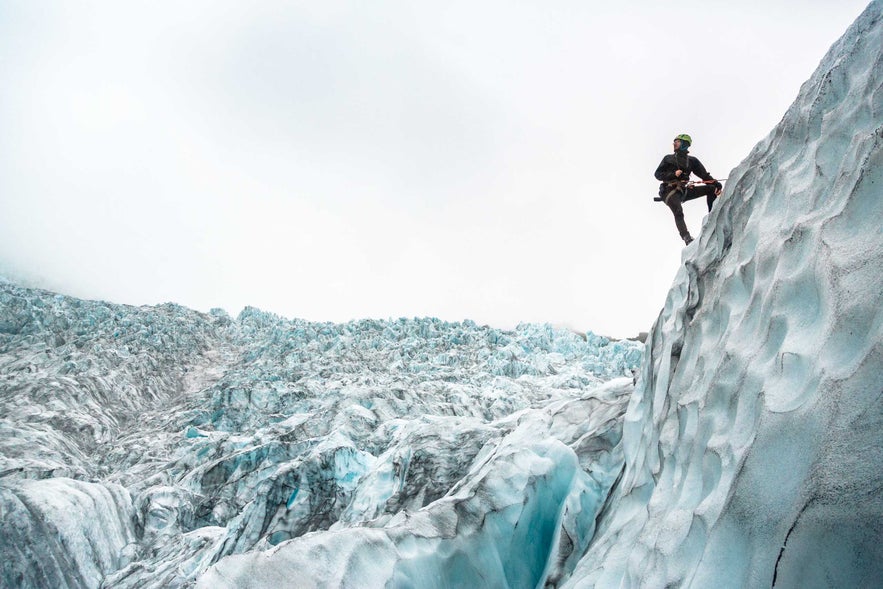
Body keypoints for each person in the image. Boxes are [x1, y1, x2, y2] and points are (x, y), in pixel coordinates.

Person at [654, 134, 722, 245]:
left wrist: (716, 184)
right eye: (674, 141)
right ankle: (686, 237)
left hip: (682, 191)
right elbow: (657, 174)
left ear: (684, 144)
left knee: (711, 188)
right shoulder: (668, 158)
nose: (674, 143)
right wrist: (673, 174)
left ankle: (712, 217)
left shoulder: (692, 161)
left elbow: (704, 176)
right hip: (668, 191)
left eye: (677, 141)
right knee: (678, 211)